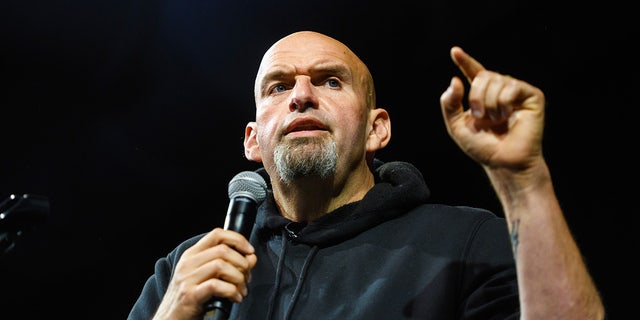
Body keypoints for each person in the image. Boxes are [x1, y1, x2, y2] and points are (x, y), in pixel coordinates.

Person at [128, 30, 605, 320]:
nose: (301, 96)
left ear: (377, 129)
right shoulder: (187, 268)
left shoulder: (465, 242)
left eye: (329, 81)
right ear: (253, 139)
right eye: (278, 86)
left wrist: (524, 183)